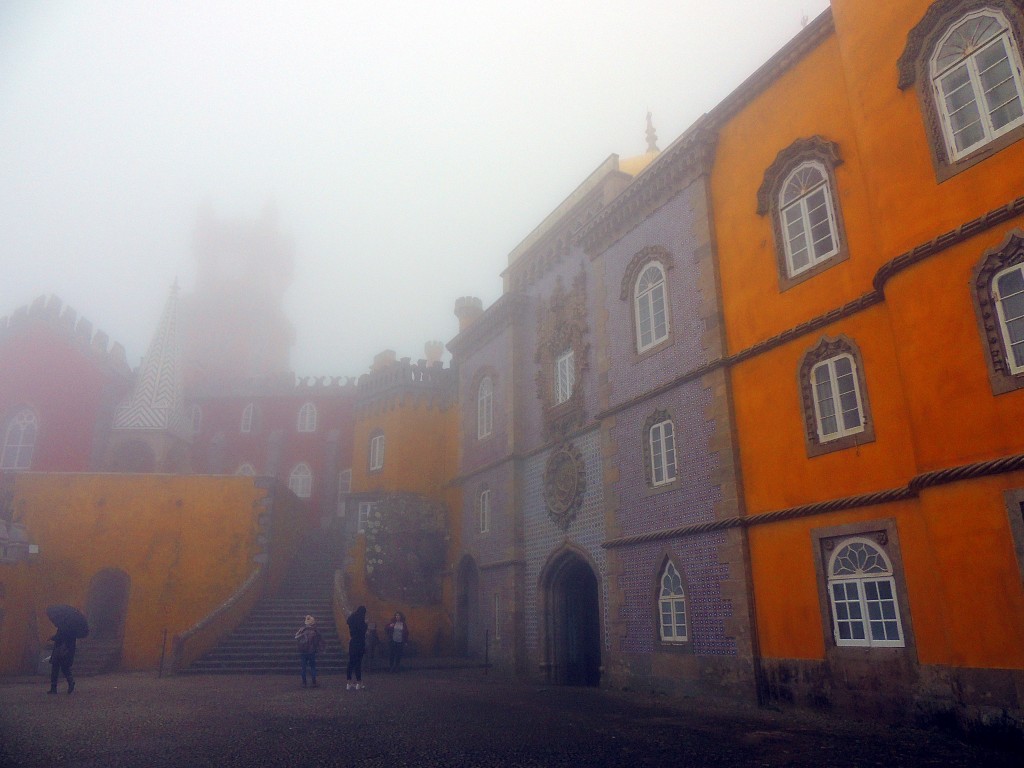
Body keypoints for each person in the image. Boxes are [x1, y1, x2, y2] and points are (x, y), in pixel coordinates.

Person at [294, 615, 324, 688]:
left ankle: (304, 683)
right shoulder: (315, 631)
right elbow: (318, 642)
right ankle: (314, 682)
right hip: (311, 651)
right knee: (313, 667)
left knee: (303, 668)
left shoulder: (302, 629)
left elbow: (296, 637)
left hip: (303, 651)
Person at [346, 606, 368, 690]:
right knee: (358, 662)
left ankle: (348, 682)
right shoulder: (362, 623)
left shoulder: (352, 620)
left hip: (353, 642)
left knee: (351, 662)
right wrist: (366, 624)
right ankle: (359, 682)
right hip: (360, 643)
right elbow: (363, 630)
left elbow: (348, 621)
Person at [48, 628, 76, 694]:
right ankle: (70, 682)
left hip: (60, 650)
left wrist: (53, 637)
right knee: (65, 668)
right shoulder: (72, 629)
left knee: (55, 669)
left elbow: (59, 637)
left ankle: (53, 688)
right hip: (67, 650)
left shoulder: (63, 627)